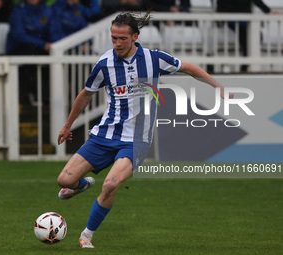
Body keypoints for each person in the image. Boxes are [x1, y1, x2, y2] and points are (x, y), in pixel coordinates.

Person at [56, 11, 231, 248]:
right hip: (104, 135)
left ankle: (86, 235)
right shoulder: (104, 63)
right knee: (63, 180)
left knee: (110, 184)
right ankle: (83, 185)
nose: (117, 43)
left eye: (122, 39)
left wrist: (218, 86)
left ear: (135, 37)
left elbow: (189, 68)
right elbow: (86, 94)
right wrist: (67, 126)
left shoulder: (153, 59)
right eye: (113, 38)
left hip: (135, 140)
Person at [6, 0, 57, 105]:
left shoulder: (47, 10)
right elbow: (19, 35)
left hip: (40, 48)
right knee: (30, 53)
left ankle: (48, 95)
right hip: (19, 49)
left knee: (55, 55)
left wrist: (54, 44)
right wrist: (42, 44)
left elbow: (53, 31)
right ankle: (32, 94)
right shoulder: (18, 10)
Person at [216, 0, 281, 72]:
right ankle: (245, 65)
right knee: (245, 38)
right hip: (234, 18)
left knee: (249, 37)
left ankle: (246, 65)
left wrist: (268, 11)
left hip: (242, 18)